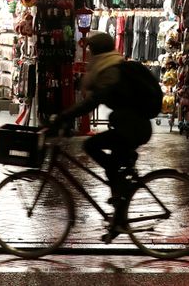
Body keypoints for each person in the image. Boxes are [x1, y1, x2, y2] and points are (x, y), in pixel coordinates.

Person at [52, 31, 153, 232]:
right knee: (112, 168)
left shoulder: (109, 71)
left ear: (96, 51)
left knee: (91, 145)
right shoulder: (110, 66)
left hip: (132, 129)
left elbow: (93, 101)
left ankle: (120, 195)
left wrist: (64, 117)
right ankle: (119, 218)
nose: (88, 54)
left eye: (90, 50)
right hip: (129, 126)